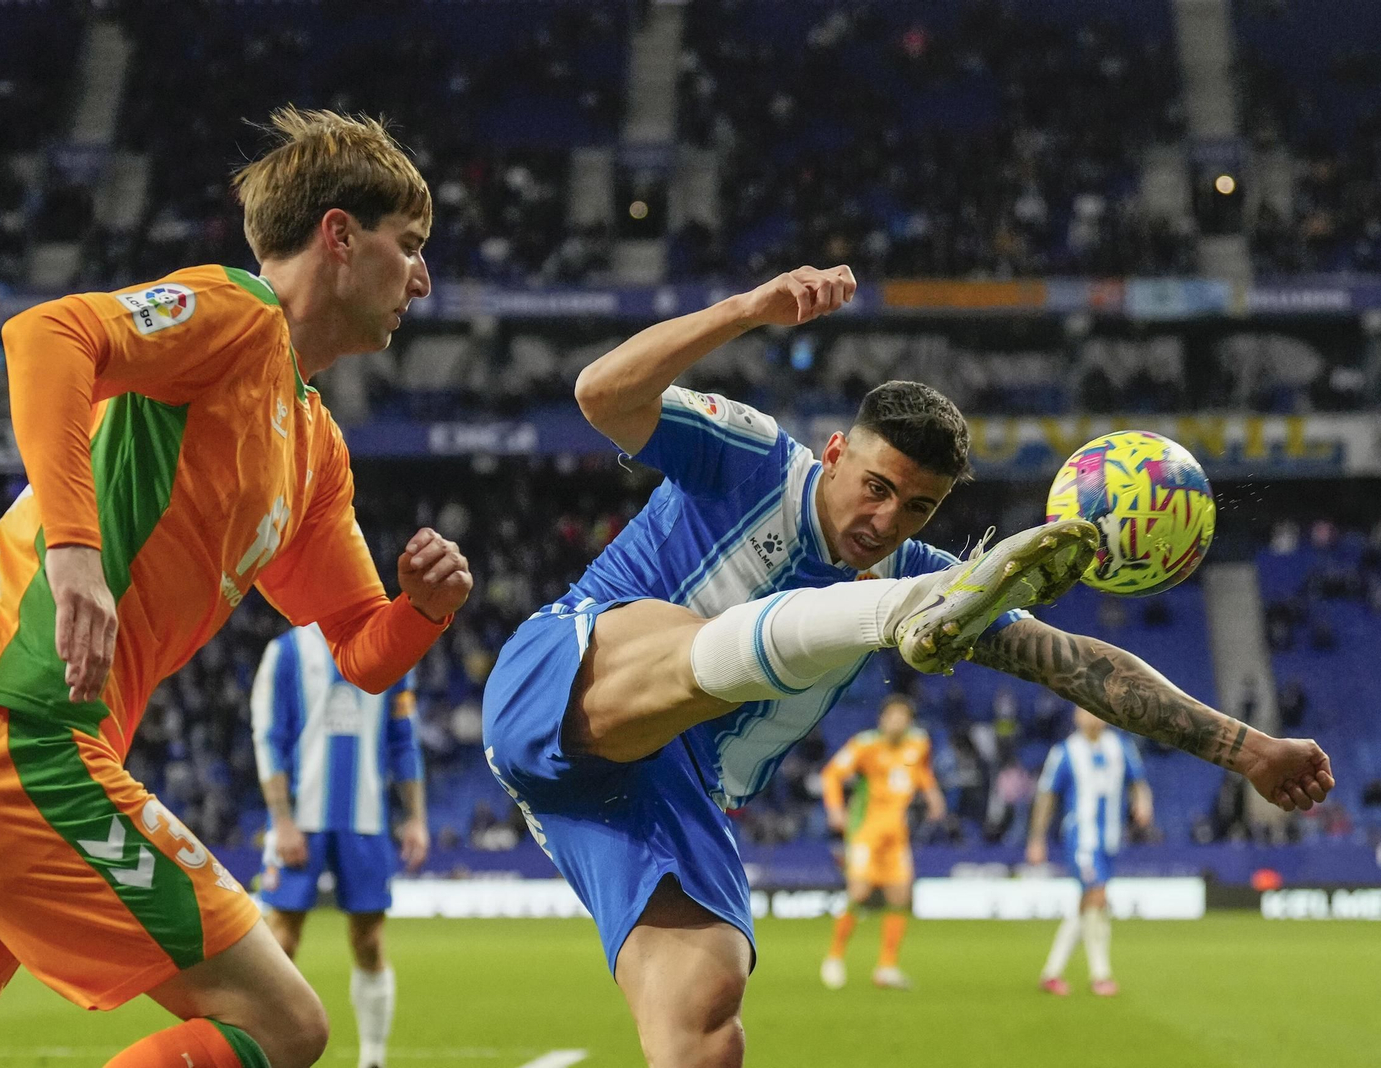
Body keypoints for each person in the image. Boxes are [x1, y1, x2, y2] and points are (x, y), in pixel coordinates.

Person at [481, 265, 1334, 1068]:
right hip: (565, 677)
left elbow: (1073, 663)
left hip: (660, 790)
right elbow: (600, 393)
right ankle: (890, 618)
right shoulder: (750, 457)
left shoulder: (922, 566)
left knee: (706, 1019)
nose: (887, 521)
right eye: (877, 487)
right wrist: (746, 311)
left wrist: (1250, 749)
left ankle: (895, 615)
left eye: (918, 507)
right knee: (702, 648)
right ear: (834, 453)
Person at [0, 108, 473, 1068]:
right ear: (339, 236)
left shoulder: (316, 451)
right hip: (27, 740)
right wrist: (74, 551)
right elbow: (46, 333)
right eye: (410, 245)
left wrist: (423, 611)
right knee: (285, 1025)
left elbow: (361, 652)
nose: (423, 277)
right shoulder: (239, 315)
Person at [251, 623, 429, 1068]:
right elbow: (268, 737)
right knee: (280, 941)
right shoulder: (286, 651)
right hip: (300, 819)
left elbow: (404, 739)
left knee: (369, 940)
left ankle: (373, 1059)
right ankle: (266, 1055)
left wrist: (416, 818)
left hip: (365, 819)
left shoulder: (389, 649)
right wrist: (282, 821)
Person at [818, 693, 945, 991]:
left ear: (909, 721)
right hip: (866, 830)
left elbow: (922, 771)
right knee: (860, 892)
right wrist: (835, 809)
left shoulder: (919, 743)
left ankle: (886, 967)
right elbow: (831, 774)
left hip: (896, 833)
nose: (897, 722)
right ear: (882, 719)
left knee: (900, 896)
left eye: (903, 717)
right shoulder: (865, 745)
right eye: (892, 716)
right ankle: (834, 957)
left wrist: (932, 794)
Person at [1027, 707, 1154, 997]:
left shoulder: (1121, 747)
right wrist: (1037, 838)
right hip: (1081, 838)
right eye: (1085, 711)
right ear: (1076, 717)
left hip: (1110, 838)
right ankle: (1100, 974)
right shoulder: (1065, 752)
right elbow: (1046, 796)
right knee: (1097, 895)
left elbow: (1138, 782)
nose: (1093, 717)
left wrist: (1143, 803)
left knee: (1088, 903)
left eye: (1096, 711)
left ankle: (1051, 973)